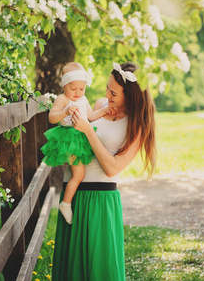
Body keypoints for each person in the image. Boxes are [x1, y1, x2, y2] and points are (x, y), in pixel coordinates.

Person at [52, 61, 157, 280]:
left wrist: (89, 131)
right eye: (107, 88)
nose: (107, 95)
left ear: (130, 96)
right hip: (72, 196)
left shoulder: (137, 126)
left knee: (100, 269)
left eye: (114, 93)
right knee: (72, 271)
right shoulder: (98, 105)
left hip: (101, 199)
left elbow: (112, 168)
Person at [41, 62, 114, 224]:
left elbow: (90, 116)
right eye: (73, 89)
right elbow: (51, 117)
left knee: (82, 172)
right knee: (79, 174)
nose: (77, 93)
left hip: (81, 137)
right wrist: (65, 111)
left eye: (82, 89)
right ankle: (65, 204)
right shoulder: (62, 99)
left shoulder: (83, 98)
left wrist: (104, 110)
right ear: (64, 86)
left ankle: (69, 201)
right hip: (69, 139)